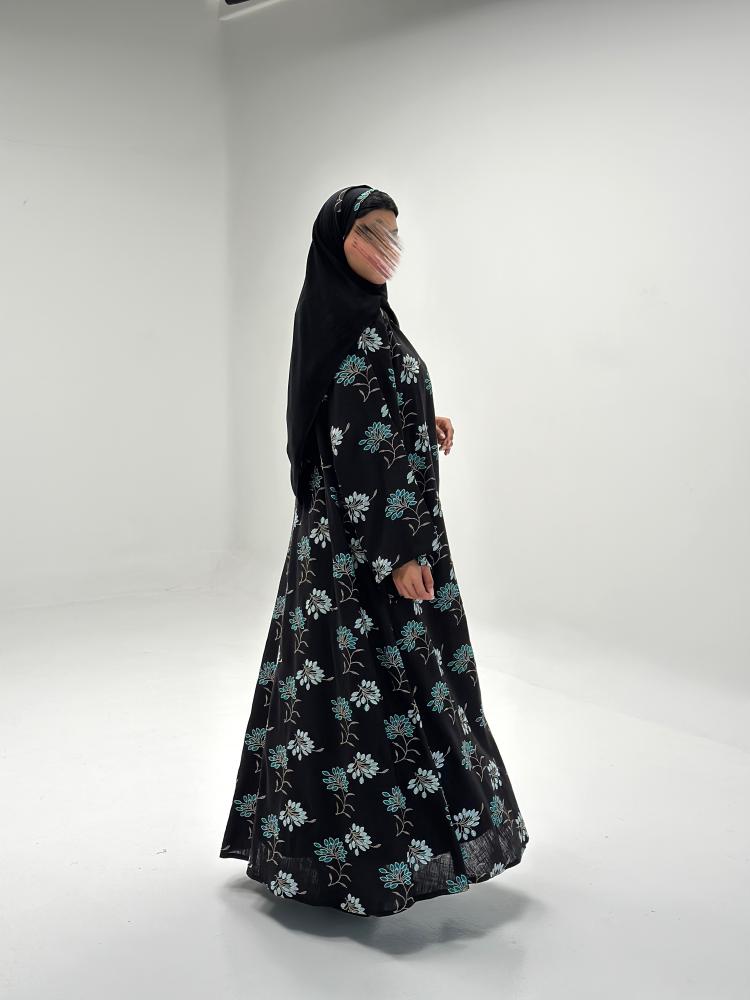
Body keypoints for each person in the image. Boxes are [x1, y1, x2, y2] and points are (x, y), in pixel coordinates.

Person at [219, 185, 529, 917]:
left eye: (394, 231)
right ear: (338, 241)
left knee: (349, 691)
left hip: (351, 540)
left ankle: (352, 853)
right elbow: (358, 450)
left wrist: (423, 418)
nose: (386, 245)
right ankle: (367, 863)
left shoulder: (360, 317)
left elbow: (361, 414)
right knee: (377, 691)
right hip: (367, 546)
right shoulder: (355, 331)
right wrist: (400, 554)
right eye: (369, 230)